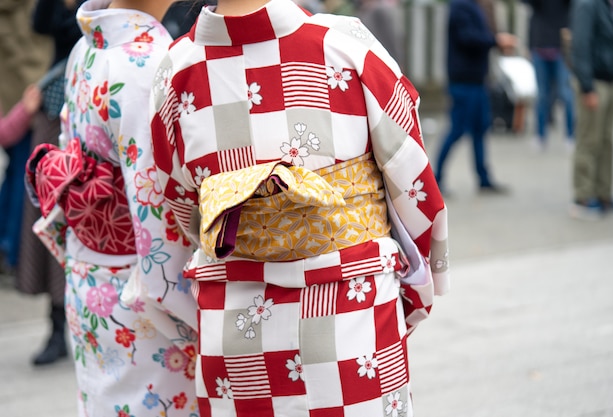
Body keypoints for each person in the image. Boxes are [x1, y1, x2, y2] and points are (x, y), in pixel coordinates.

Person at [149, 0, 450, 415]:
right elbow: (414, 185)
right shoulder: (345, 45)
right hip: (350, 318)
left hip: (234, 330)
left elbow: (182, 209)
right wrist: (415, 295)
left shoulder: (174, 71)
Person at [25, 0, 198, 415]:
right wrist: (204, 321)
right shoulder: (150, 66)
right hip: (147, 300)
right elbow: (160, 228)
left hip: (91, 278)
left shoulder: (87, 48)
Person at [14, 0, 87, 367]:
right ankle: (57, 327)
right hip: (54, 109)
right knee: (47, 217)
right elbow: (40, 24)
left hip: (93, 109)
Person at [434, 0, 517, 195]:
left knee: (480, 129)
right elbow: (468, 38)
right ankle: (435, 179)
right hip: (463, 81)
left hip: (476, 80)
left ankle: (484, 179)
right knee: (457, 130)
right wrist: (496, 41)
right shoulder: (461, 6)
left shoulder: (471, 5)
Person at [0, 0, 52, 272]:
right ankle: (11, 249)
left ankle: (7, 246)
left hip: (15, 96)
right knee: (24, 174)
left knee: (16, 173)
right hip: (25, 98)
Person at [569, 0, 613, 220]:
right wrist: (586, 87)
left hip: (609, 79)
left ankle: (603, 193)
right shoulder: (587, 4)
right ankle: (583, 196)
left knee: (606, 140)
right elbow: (580, 46)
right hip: (593, 82)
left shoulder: (611, 4)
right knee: (589, 139)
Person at [523, 0, 576, 152]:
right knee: (541, 95)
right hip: (540, 46)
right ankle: (540, 135)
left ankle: (571, 135)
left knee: (566, 94)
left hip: (561, 48)